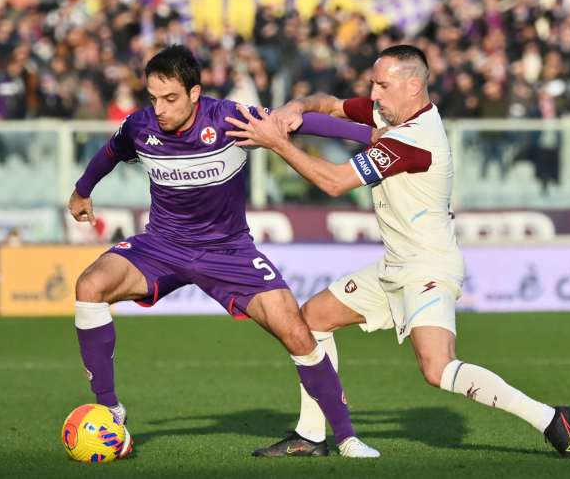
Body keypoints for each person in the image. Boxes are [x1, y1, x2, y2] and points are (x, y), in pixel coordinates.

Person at [226, 44, 570, 459]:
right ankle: (311, 434)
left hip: (427, 267)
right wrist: (294, 107)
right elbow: (332, 106)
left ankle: (550, 419)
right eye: (373, 84)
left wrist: (277, 143)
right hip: (395, 264)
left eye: (382, 85)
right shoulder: (394, 113)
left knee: (437, 368)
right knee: (313, 318)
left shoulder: (414, 141)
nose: (374, 94)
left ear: (413, 85)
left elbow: (335, 183)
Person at [67, 45, 380, 459]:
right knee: (89, 286)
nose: (159, 108)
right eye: (153, 98)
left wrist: (370, 136)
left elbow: (299, 123)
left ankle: (345, 439)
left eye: (170, 98)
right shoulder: (140, 126)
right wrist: (82, 191)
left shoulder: (227, 118)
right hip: (162, 244)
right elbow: (110, 153)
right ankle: (110, 410)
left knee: (296, 330)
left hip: (227, 251)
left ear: (195, 93)